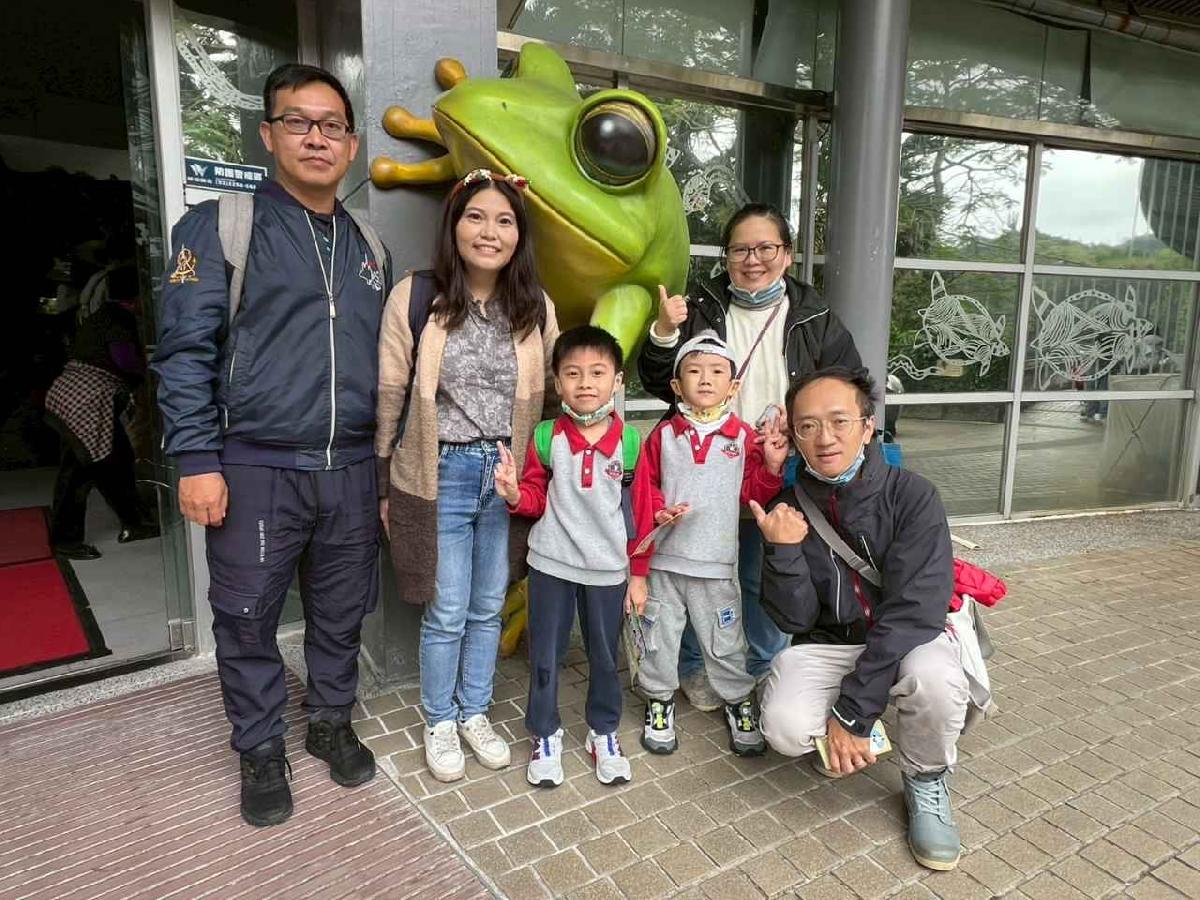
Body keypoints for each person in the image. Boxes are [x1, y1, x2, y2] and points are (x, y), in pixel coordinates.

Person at [153, 64, 387, 827]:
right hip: (256, 465)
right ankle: (259, 747)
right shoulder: (222, 225)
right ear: (268, 133)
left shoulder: (368, 245)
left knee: (341, 610)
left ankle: (329, 721)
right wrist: (196, 459)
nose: (317, 137)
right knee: (247, 614)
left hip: (351, 467)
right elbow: (183, 352)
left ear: (351, 145)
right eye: (298, 121)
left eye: (332, 125)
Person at [636, 203, 861, 712]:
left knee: (763, 572)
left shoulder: (815, 316)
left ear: (788, 254)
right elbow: (658, 380)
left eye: (765, 248)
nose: (752, 259)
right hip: (701, 465)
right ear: (726, 256)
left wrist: (800, 421)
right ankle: (694, 667)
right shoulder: (702, 305)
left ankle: (759, 668)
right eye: (740, 249)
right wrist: (664, 332)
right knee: (692, 571)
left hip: (777, 464)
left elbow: (848, 383)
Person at [376, 168, 559, 784]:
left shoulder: (535, 306)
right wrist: (384, 483)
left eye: (504, 221)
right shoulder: (416, 296)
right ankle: (439, 719)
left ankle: (475, 711)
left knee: (486, 606)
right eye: (476, 216)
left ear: (519, 236)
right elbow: (390, 392)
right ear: (454, 225)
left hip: (506, 474)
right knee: (447, 607)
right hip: (441, 471)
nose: (489, 231)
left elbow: (554, 395)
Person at [753, 366, 969, 872]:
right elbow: (796, 619)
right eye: (807, 426)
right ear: (794, 437)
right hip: (835, 642)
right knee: (784, 727)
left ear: (867, 427)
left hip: (910, 639)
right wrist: (782, 552)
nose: (825, 438)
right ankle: (855, 736)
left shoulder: (913, 496)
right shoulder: (787, 507)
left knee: (934, 681)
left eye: (839, 421)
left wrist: (852, 713)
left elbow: (913, 612)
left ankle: (925, 778)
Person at [627, 331, 788, 757]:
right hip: (664, 563)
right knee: (658, 636)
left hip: (716, 565)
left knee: (725, 640)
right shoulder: (663, 435)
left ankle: (738, 701)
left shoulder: (742, 437)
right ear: (676, 385)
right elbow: (646, 490)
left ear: (733, 386)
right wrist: (658, 513)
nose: (705, 379)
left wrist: (771, 467)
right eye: (694, 371)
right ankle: (659, 699)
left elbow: (751, 493)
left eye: (717, 372)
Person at [494, 325, 635, 788]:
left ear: (618, 380)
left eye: (597, 372)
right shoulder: (546, 436)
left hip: (607, 570)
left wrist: (639, 571)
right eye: (573, 373)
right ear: (558, 383)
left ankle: (603, 731)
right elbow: (536, 498)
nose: (585, 383)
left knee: (604, 655)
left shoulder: (630, 442)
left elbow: (638, 511)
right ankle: (544, 732)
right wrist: (515, 494)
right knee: (545, 656)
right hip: (551, 564)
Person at [46, 266, 158, 559]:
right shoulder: (118, 319)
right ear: (137, 296)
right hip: (86, 402)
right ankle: (65, 541)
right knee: (78, 474)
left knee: (116, 461)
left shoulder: (101, 316)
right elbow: (123, 358)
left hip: (74, 395)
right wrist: (147, 369)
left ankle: (135, 522)